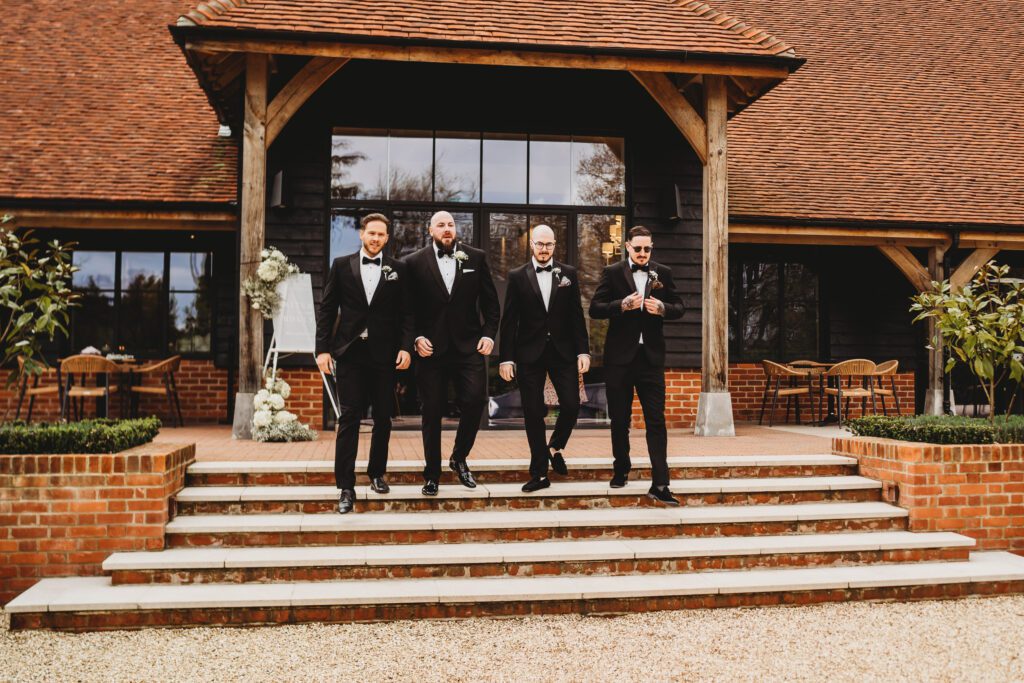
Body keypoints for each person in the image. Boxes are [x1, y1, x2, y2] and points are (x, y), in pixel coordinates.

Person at [315, 213, 413, 514]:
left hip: (384, 356)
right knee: (349, 418)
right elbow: (328, 310)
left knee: (384, 417)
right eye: (371, 233)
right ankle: (345, 486)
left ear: (387, 238)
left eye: (381, 235)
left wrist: (406, 348)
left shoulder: (399, 269)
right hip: (350, 354)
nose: (376, 239)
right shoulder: (342, 266)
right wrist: (322, 350)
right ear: (361, 234)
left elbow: (407, 314)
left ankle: (376, 474)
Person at [403, 211, 501, 495]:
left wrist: (487, 334)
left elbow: (491, 305)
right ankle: (432, 475)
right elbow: (407, 310)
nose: (447, 229)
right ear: (429, 229)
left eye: (450, 225)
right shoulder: (413, 262)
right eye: (441, 225)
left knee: (476, 399)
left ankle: (459, 457)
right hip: (430, 350)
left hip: (467, 346)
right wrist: (416, 338)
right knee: (431, 412)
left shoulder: (476, 257)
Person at [588, 225, 685, 506]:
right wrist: (622, 305)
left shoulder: (662, 273)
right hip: (619, 360)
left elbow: (680, 306)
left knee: (656, 421)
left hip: (651, 360)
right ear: (627, 246)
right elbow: (595, 308)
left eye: (647, 248)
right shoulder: (613, 272)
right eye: (638, 248)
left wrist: (664, 309)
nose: (643, 253)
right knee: (620, 419)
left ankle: (661, 482)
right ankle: (621, 469)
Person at [498, 225, 590, 492]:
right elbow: (509, 321)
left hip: (563, 353)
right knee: (533, 412)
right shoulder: (517, 276)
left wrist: (583, 351)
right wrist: (506, 358)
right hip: (529, 354)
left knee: (572, 405)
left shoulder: (568, 274)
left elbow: (576, 316)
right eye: (540, 244)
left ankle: (556, 445)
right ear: (532, 246)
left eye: (549, 245)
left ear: (554, 246)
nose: (544, 249)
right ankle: (539, 473)